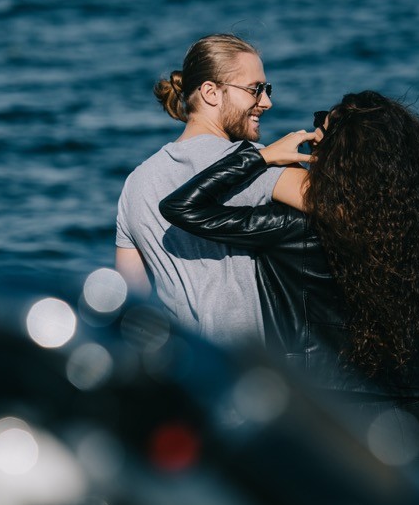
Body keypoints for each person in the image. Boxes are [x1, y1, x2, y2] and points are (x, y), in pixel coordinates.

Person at [159, 91, 419, 486]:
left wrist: (261, 156)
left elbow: (182, 207)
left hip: (322, 411)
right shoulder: (418, 236)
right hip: (408, 416)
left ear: (335, 153)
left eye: (321, 126)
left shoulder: (292, 227)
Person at [115, 34, 299, 346]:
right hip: (251, 372)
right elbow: (339, 206)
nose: (267, 102)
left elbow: (131, 306)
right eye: (256, 90)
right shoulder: (253, 163)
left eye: (266, 90)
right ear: (211, 92)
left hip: (187, 373)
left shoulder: (136, 183)